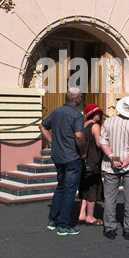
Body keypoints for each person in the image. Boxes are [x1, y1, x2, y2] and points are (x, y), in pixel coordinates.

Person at [39, 87, 85, 236]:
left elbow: (42, 126)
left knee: (61, 186)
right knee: (69, 190)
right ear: (76, 98)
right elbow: (79, 135)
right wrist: (83, 152)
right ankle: (64, 225)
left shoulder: (56, 112)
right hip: (72, 157)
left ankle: (53, 220)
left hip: (58, 156)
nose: (81, 99)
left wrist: (53, 142)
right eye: (80, 97)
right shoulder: (77, 115)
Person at [99, 96, 129, 240]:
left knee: (110, 197)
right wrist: (125, 162)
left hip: (111, 163)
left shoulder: (109, 122)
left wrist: (114, 158)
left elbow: (102, 142)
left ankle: (110, 228)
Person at [78, 104, 104, 226]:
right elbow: (99, 144)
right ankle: (90, 216)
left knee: (85, 186)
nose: (99, 115)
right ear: (92, 114)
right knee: (93, 187)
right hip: (93, 158)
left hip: (84, 159)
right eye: (97, 113)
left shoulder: (83, 125)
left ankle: (82, 214)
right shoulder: (95, 126)